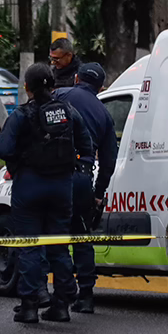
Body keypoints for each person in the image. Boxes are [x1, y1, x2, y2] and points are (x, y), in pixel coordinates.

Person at [0, 63, 93, 324]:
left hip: (29, 185)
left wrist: (21, 160)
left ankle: (29, 305)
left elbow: (3, 148)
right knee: (59, 247)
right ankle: (61, 305)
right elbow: (86, 143)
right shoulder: (68, 112)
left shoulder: (22, 114)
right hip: (62, 187)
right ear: (52, 85)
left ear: (27, 87)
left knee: (28, 246)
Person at [56, 63, 119, 313]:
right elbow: (108, 162)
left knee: (51, 236)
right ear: (101, 87)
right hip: (82, 180)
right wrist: (98, 195)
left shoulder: (58, 96)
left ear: (75, 78)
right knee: (81, 237)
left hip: (52, 177)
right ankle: (86, 295)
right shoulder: (103, 114)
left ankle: (59, 294)